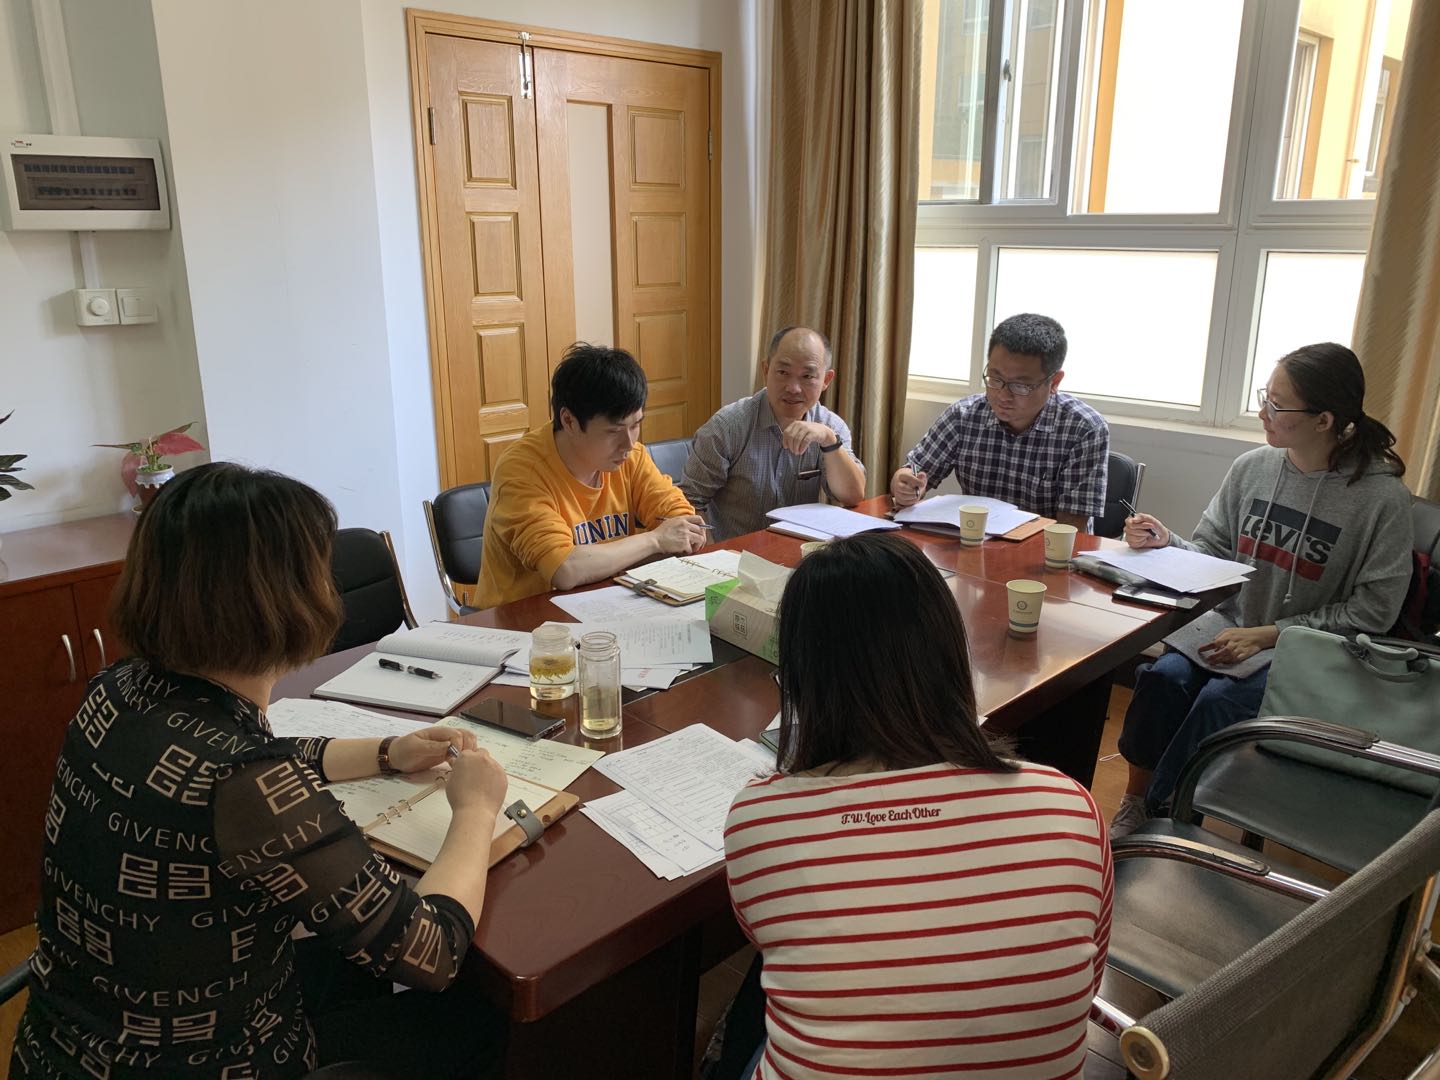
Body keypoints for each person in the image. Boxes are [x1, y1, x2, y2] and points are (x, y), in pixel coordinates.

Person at [12, 463, 509, 1079]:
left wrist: (388, 750)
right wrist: (476, 808)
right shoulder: (243, 780)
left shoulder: (119, 686)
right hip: (206, 1061)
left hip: (68, 1045)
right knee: (483, 1017)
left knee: (352, 966)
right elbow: (431, 952)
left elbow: (242, 756)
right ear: (285, 597)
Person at [723, 533, 1112, 1079]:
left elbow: (769, 934)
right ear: (951, 657)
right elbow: (1083, 983)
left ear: (805, 682)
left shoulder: (760, 820)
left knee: (768, 996)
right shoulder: (1069, 805)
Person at [1110, 343, 1413, 839]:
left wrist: (1271, 634)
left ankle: (1168, 820)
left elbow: (1373, 611)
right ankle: (1137, 800)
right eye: (1264, 397)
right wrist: (1168, 542)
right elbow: (1213, 552)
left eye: (1277, 404)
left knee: (1220, 701)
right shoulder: (1253, 467)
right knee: (1162, 679)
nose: (1262, 412)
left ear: (1324, 420)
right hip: (1230, 625)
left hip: (1309, 651)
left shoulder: (1382, 499)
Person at [476, 342, 708, 607]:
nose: (629, 443)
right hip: (523, 618)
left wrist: (673, 535)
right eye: (613, 431)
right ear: (569, 421)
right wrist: (655, 540)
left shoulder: (630, 456)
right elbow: (565, 570)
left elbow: (683, 526)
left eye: (636, 425)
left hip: (607, 602)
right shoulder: (521, 472)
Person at [890, 312, 1108, 530]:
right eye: (995, 379)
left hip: (1042, 546)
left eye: (1020, 386)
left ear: (1054, 382)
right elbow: (914, 472)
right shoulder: (964, 415)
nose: (1003, 395)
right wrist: (904, 485)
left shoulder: (1083, 429)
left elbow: (1071, 529)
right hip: (973, 541)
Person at [679, 326, 866, 540]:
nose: (793, 388)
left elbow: (852, 496)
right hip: (735, 553)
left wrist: (829, 441)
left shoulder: (831, 427)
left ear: (826, 380)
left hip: (800, 552)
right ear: (766, 370)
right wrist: (712, 552)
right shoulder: (727, 426)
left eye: (807, 376)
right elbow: (689, 501)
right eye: (783, 373)